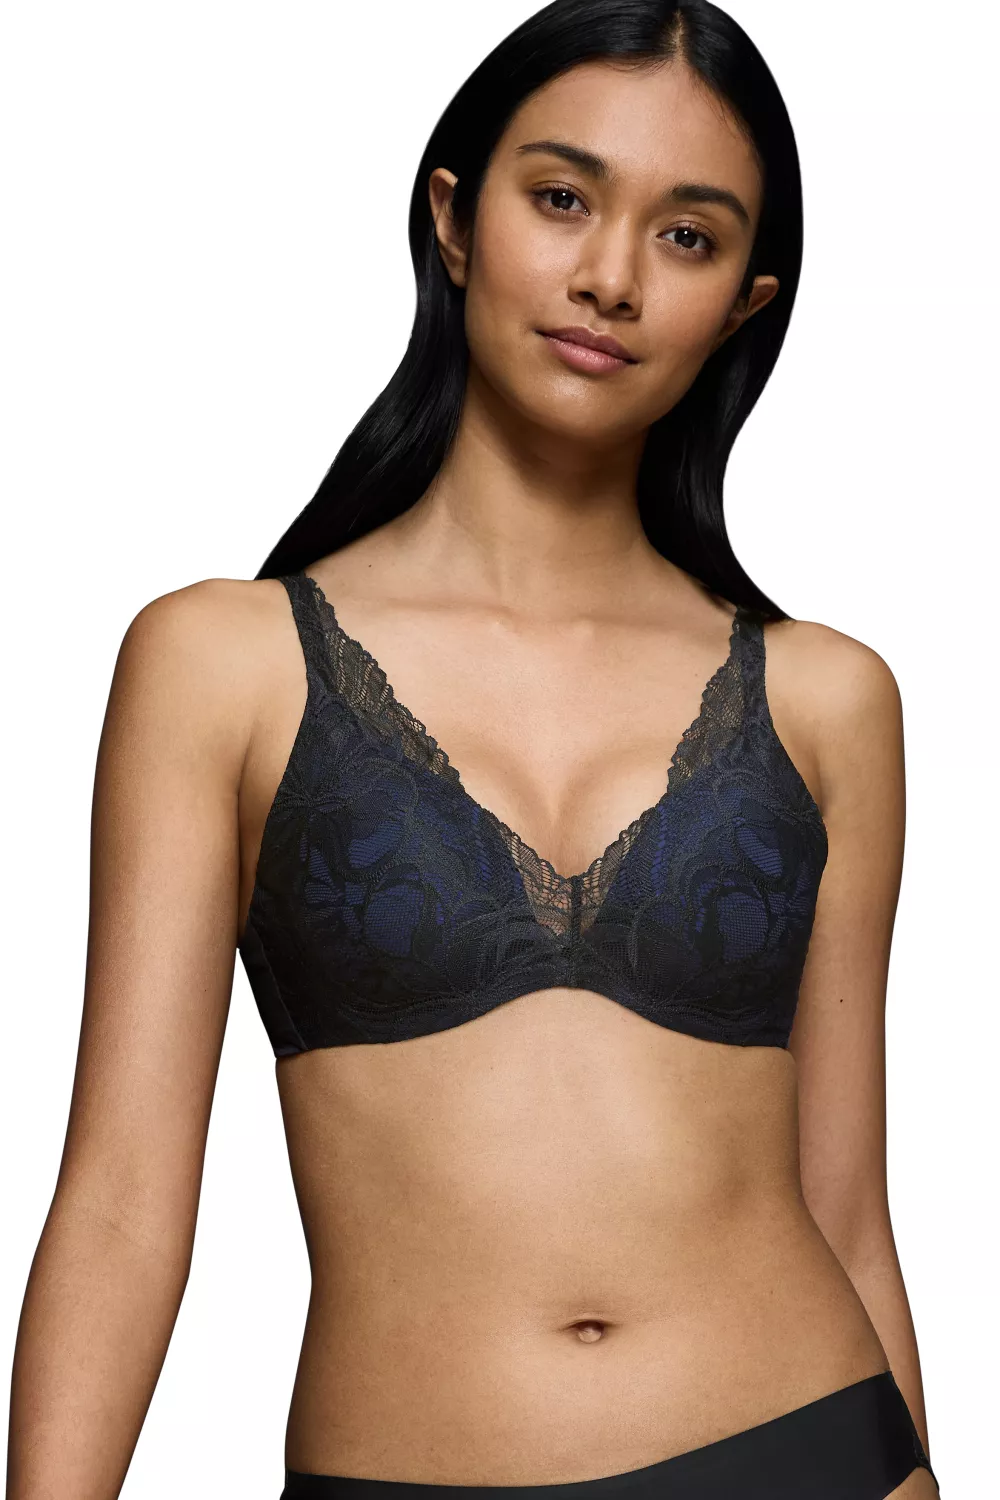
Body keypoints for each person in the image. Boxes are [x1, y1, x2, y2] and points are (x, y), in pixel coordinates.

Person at [7, 2, 941, 1497]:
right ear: (452, 218)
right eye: (562, 197)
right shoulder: (220, 664)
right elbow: (120, 1206)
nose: (611, 276)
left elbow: (848, 1212)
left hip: (815, 1450)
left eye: (687, 237)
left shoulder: (828, 700)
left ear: (743, 305)